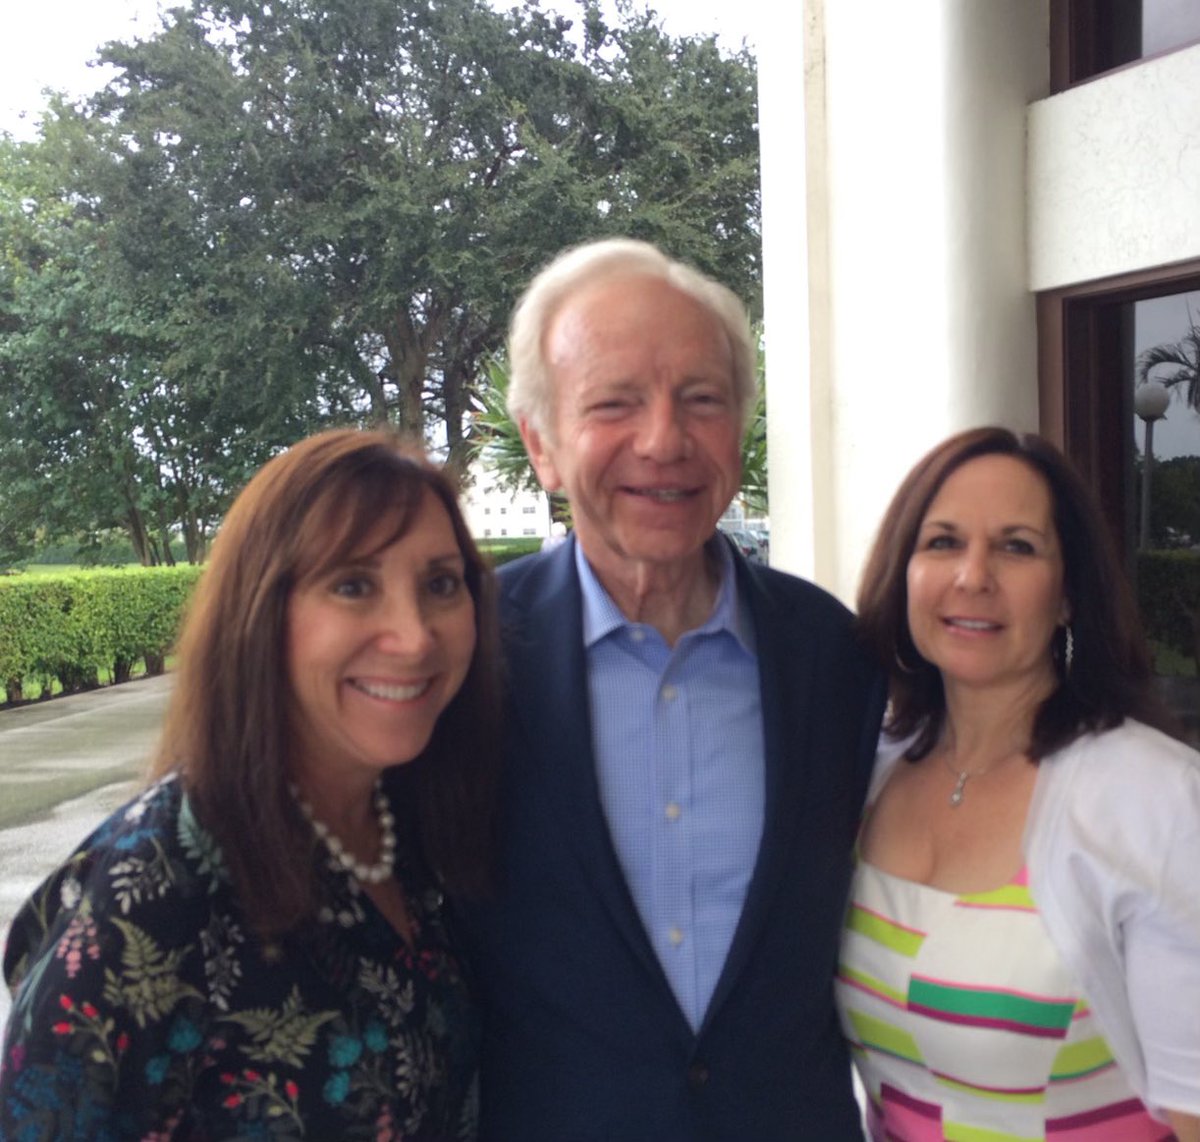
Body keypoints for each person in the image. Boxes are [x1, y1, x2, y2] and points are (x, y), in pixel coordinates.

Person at [464, 238, 887, 1140]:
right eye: (614, 403)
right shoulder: (464, 656)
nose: (665, 440)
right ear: (541, 445)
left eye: (702, 399)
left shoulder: (837, 657)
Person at [0, 429, 502, 1140]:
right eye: (353, 584)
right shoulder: (153, 894)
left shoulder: (413, 830)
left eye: (441, 584)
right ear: (259, 614)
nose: (415, 635)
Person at [842, 426, 1200, 1141]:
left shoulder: (1156, 800)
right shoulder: (866, 769)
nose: (973, 576)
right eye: (942, 541)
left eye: (1017, 546)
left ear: (1069, 595)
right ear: (903, 570)